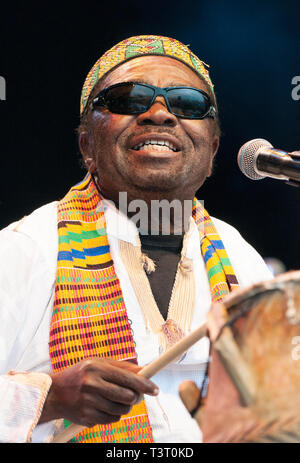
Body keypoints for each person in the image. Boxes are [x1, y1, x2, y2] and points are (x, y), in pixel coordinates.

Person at [0, 35, 272, 443]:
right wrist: (50, 397)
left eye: (188, 104)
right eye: (128, 99)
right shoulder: (27, 248)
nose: (160, 114)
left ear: (213, 149)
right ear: (87, 145)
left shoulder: (242, 260)